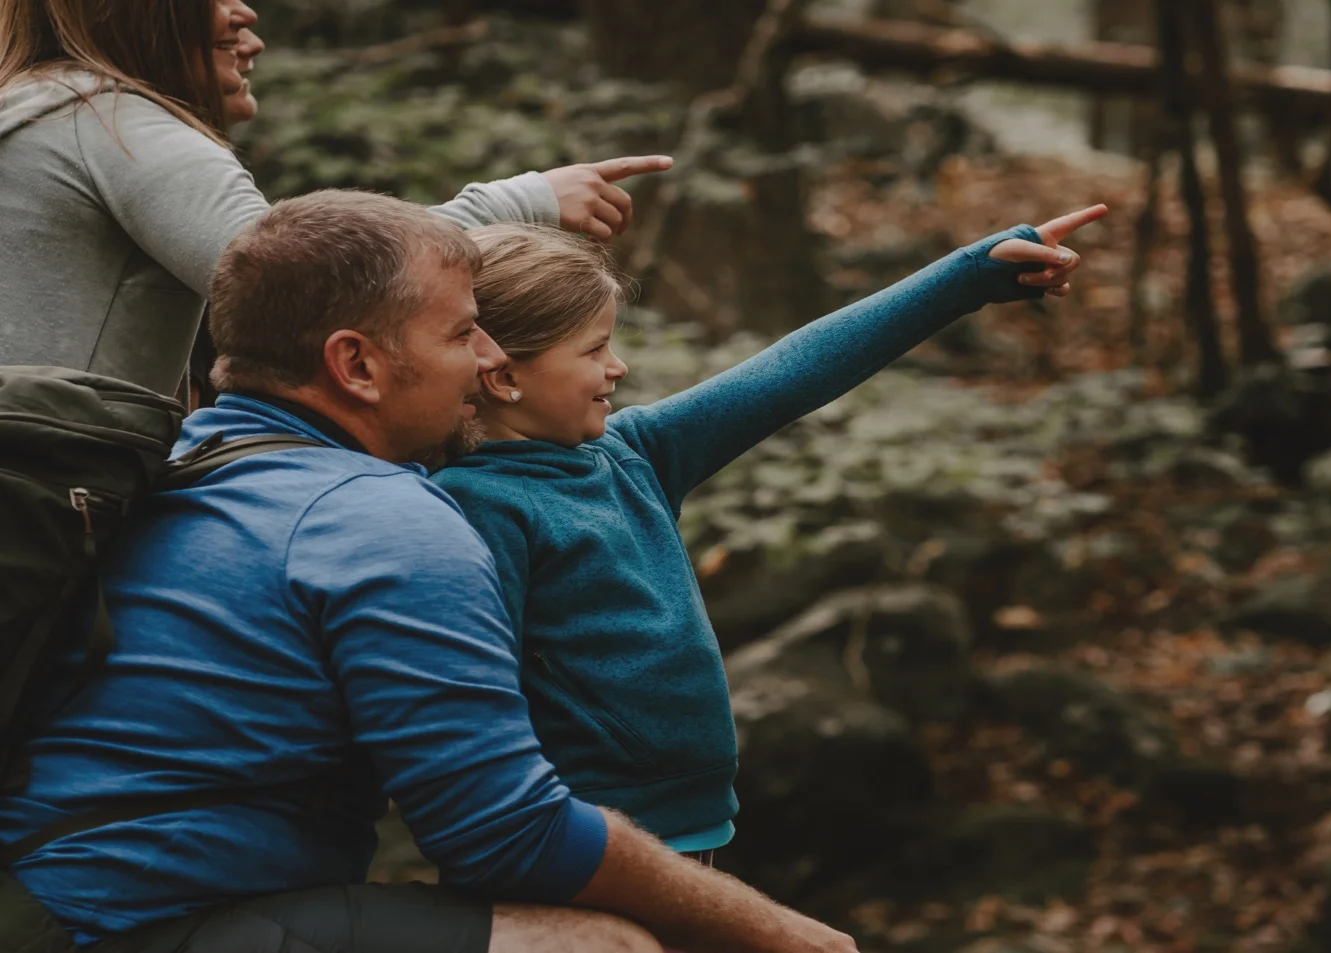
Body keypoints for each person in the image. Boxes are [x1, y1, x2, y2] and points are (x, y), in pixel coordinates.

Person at [0, 189, 860, 953]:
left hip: (52, 880)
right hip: (119, 921)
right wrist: (781, 930)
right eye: (459, 331)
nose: (487, 358)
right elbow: (508, 833)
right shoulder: (382, 520)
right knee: (596, 942)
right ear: (358, 365)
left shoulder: (196, 457)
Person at [429, 207, 1107, 858]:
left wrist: (968, 276)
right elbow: (471, 705)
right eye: (595, 348)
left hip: (694, 827)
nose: (618, 367)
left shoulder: (634, 454)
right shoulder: (476, 506)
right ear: (504, 374)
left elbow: (792, 371)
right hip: (586, 842)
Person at [0, 0, 670, 396]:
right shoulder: (109, 120)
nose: (247, 16)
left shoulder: (35, 115)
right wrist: (524, 201)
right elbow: (290, 285)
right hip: (49, 503)